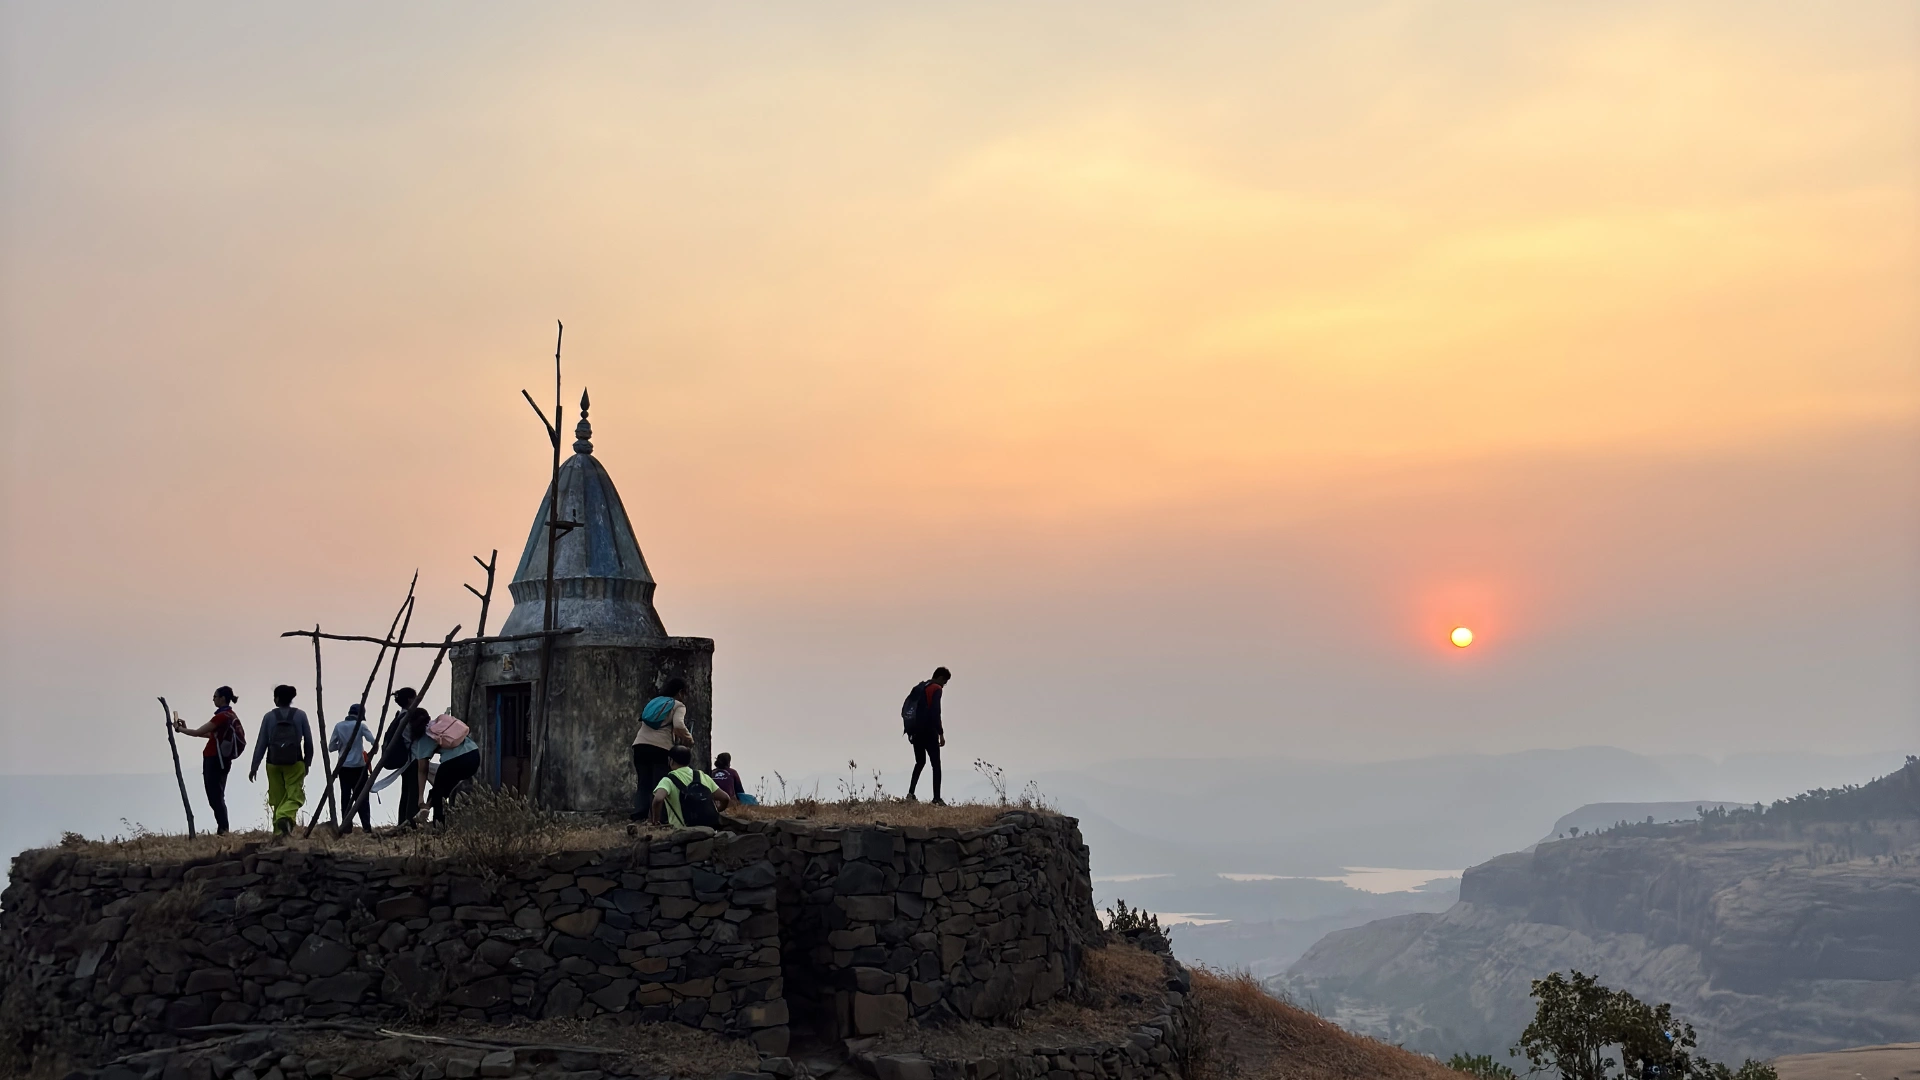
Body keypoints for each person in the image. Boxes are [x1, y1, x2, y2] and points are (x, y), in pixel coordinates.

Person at [173, 686, 244, 835]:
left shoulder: (221, 717)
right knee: (218, 795)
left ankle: (223, 830)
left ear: (222, 698)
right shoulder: (231, 715)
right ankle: (223, 829)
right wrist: (186, 729)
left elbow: (198, 732)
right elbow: (210, 735)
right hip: (224, 760)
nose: (213, 699)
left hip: (214, 760)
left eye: (215, 697)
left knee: (215, 797)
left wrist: (180, 730)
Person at [250, 684, 314, 835]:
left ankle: (279, 833)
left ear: (277, 699)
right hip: (295, 762)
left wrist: (254, 766)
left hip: (273, 763)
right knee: (294, 796)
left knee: (277, 798)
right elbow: (309, 742)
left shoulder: (269, 717)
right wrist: (307, 763)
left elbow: (261, 743)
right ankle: (284, 817)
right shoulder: (300, 715)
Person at [631, 678, 694, 820]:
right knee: (660, 784)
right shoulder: (678, 705)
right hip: (660, 748)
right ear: (680, 692)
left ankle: (639, 817)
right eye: (685, 693)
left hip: (640, 746)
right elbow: (678, 725)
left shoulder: (654, 702)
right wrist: (689, 739)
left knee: (643, 784)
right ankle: (660, 818)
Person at [410, 707, 480, 824]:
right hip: (474, 756)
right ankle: (427, 807)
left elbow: (422, 769)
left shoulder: (425, 737)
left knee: (439, 795)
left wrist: (420, 797)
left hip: (454, 761)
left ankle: (438, 826)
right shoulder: (442, 724)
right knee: (441, 788)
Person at [649, 745, 732, 828]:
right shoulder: (703, 776)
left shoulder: (667, 780)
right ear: (689, 761)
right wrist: (717, 810)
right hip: (708, 829)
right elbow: (725, 798)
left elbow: (658, 799)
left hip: (682, 831)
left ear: (671, 761)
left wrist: (656, 821)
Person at [904, 666, 950, 805]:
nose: (944, 685)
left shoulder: (922, 687)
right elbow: (935, 712)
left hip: (916, 731)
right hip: (929, 731)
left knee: (920, 762)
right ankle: (936, 798)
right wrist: (941, 733)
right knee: (936, 765)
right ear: (940, 678)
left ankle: (910, 794)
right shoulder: (936, 688)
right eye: (945, 681)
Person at [328, 702, 376, 833]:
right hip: (359, 767)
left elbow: (331, 747)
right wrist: (371, 753)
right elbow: (374, 741)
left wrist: (342, 746)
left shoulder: (339, 726)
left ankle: (346, 827)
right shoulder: (361, 726)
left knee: (345, 797)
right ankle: (366, 826)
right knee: (362, 798)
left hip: (343, 767)